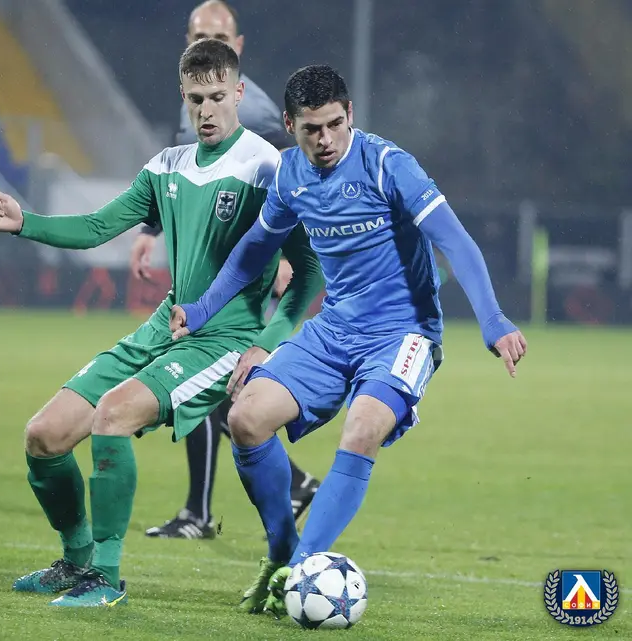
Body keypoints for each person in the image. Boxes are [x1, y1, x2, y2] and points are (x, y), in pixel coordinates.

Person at [0, 39, 322, 608]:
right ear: (183, 97)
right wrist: (23, 222)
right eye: (195, 99)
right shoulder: (166, 166)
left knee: (113, 414)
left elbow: (306, 273)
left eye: (217, 97)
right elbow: (95, 228)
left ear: (238, 93)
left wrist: (265, 345)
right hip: (166, 325)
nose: (206, 111)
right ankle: (76, 558)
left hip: (224, 341)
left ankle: (106, 579)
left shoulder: (267, 168)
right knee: (44, 436)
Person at [169, 64, 528, 615]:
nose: (326, 139)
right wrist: (201, 309)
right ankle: (282, 553)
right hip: (334, 330)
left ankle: (298, 571)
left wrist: (493, 319)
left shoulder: (388, 165)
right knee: (245, 418)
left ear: (350, 115)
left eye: (335, 124)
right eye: (311, 129)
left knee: (361, 430)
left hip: (403, 335)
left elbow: (456, 242)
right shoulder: (289, 175)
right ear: (290, 124)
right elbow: (253, 251)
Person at [133, 0, 320, 541]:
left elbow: (287, 185)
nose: (206, 43)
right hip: (208, 271)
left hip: (243, 274)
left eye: (217, 36)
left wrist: (287, 257)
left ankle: (204, 511)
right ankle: (289, 484)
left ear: (237, 47)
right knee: (215, 386)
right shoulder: (197, 97)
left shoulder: (254, 112)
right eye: (198, 35)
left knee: (205, 381)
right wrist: (152, 230)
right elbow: (190, 173)